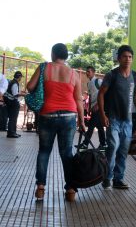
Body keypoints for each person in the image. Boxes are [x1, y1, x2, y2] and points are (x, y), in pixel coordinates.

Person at [27, 43, 86, 202]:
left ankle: (40, 187)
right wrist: (81, 121)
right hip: (69, 116)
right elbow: (78, 100)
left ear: (53, 54)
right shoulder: (74, 74)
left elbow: (30, 86)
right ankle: (71, 189)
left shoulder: (44, 67)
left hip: (47, 115)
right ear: (66, 56)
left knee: (44, 151)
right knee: (66, 153)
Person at [98, 45, 136, 190]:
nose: (127, 59)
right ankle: (107, 177)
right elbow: (101, 94)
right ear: (119, 58)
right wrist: (102, 114)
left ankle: (119, 178)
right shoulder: (111, 75)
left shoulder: (135, 76)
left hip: (128, 120)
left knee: (123, 151)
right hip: (113, 118)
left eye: (130, 57)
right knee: (112, 147)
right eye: (124, 56)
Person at [78, 66, 107, 151]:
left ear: (93, 72)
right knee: (100, 127)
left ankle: (85, 144)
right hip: (93, 108)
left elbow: (105, 93)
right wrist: (90, 107)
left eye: (89, 72)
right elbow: (90, 96)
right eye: (86, 71)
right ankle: (103, 144)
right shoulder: (89, 83)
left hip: (99, 107)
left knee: (90, 126)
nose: (87, 73)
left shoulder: (98, 81)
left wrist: (98, 105)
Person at [3, 71, 25, 138]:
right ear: (19, 77)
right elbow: (15, 94)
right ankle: (11, 133)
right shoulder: (15, 83)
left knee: (12, 118)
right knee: (13, 118)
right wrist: (24, 94)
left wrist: (21, 92)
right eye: (21, 77)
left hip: (10, 103)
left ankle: (13, 132)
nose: (21, 78)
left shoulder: (12, 82)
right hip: (13, 103)